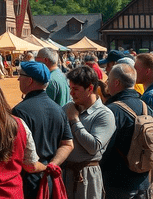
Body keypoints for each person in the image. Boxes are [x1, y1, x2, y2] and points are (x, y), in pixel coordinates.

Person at [12, 60, 73, 199]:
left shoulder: (19, 111)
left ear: (30, 81)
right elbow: (68, 144)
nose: (18, 79)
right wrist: (52, 165)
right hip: (50, 179)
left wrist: (42, 167)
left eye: (21, 75)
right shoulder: (59, 110)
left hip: (28, 183)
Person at [62, 66, 115, 199]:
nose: (71, 93)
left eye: (75, 89)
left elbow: (93, 147)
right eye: (70, 88)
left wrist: (74, 120)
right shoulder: (68, 108)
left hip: (87, 176)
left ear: (90, 88)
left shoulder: (104, 114)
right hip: (65, 175)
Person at [100, 63, 151, 198]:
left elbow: (104, 149)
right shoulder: (145, 107)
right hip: (143, 181)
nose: (107, 83)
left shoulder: (112, 110)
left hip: (118, 183)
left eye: (109, 80)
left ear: (116, 83)